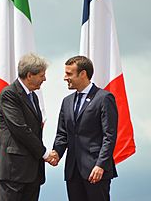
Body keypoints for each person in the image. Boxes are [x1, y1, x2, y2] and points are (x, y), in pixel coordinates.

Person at [51, 56, 118, 201]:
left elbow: (109, 136)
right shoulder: (66, 101)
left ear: (83, 74)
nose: (65, 78)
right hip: (73, 171)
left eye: (69, 74)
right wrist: (56, 153)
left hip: (96, 170)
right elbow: (62, 134)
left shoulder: (104, 98)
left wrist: (101, 165)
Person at [0, 53, 56, 201]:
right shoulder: (9, 94)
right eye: (41, 75)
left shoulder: (33, 96)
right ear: (29, 75)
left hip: (31, 173)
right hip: (13, 172)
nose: (44, 79)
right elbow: (20, 129)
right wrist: (45, 154)